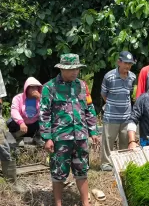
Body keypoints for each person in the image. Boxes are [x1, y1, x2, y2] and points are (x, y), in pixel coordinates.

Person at [40, 54, 99, 206]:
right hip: (60, 139)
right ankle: (58, 204)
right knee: (58, 173)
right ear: (61, 69)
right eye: (71, 69)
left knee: (82, 170)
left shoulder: (82, 86)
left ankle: (85, 203)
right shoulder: (49, 87)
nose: (74, 72)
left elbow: (89, 109)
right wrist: (47, 138)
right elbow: (44, 114)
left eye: (77, 69)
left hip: (80, 137)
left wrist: (93, 131)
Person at [100, 51, 136, 171]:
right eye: (125, 63)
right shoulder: (109, 76)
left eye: (130, 64)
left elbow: (130, 94)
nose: (127, 66)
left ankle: (123, 162)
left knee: (125, 140)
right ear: (119, 62)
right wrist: (112, 104)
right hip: (111, 115)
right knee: (108, 141)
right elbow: (104, 94)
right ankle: (106, 163)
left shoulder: (132, 77)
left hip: (126, 115)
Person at [7, 77, 43, 146]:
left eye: (36, 88)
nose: (34, 90)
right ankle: (13, 137)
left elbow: (47, 110)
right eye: (32, 87)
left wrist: (40, 99)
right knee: (12, 123)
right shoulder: (18, 98)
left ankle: (34, 138)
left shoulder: (41, 99)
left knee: (43, 123)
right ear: (26, 88)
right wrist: (21, 122)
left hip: (33, 124)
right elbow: (14, 111)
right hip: (19, 125)